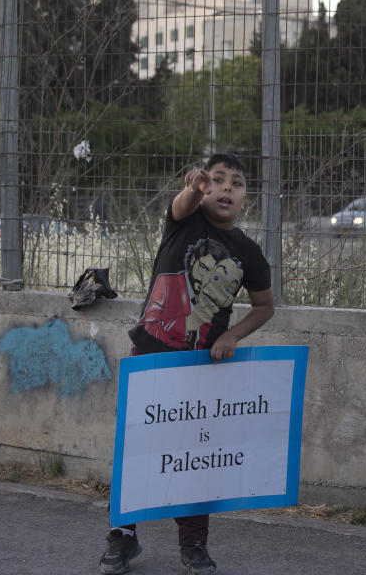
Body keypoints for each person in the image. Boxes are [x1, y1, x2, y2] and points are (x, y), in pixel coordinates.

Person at [99, 153, 274, 575]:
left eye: (236, 183)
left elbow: (264, 307)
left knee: (197, 453)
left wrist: (232, 335)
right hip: (150, 359)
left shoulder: (249, 252)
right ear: (204, 188)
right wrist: (192, 188)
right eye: (217, 180)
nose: (226, 188)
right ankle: (123, 537)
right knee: (135, 450)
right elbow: (179, 204)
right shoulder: (185, 221)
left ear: (246, 197)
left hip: (202, 368)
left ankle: (194, 543)